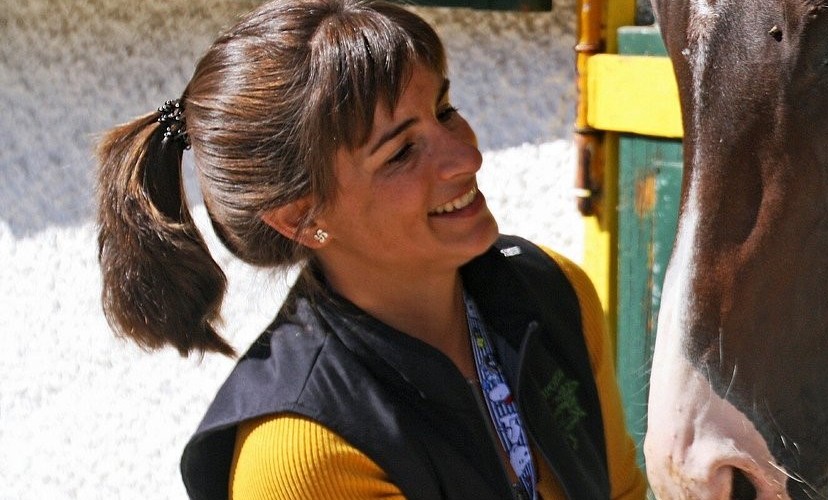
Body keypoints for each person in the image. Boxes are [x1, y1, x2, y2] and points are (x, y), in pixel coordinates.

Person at [94, 1, 647, 498]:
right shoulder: (300, 455)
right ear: (302, 217)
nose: (465, 157)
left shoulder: (551, 287)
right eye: (402, 151)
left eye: (445, 109)